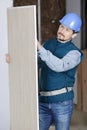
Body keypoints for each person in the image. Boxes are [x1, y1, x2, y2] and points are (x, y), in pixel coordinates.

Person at [37, 13, 84, 130]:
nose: (62, 31)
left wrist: (40, 49)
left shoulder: (75, 53)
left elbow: (59, 66)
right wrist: (13, 59)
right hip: (42, 100)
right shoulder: (48, 44)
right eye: (61, 27)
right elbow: (36, 64)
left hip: (62, 102)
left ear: (74, 35)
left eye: (67, 30)